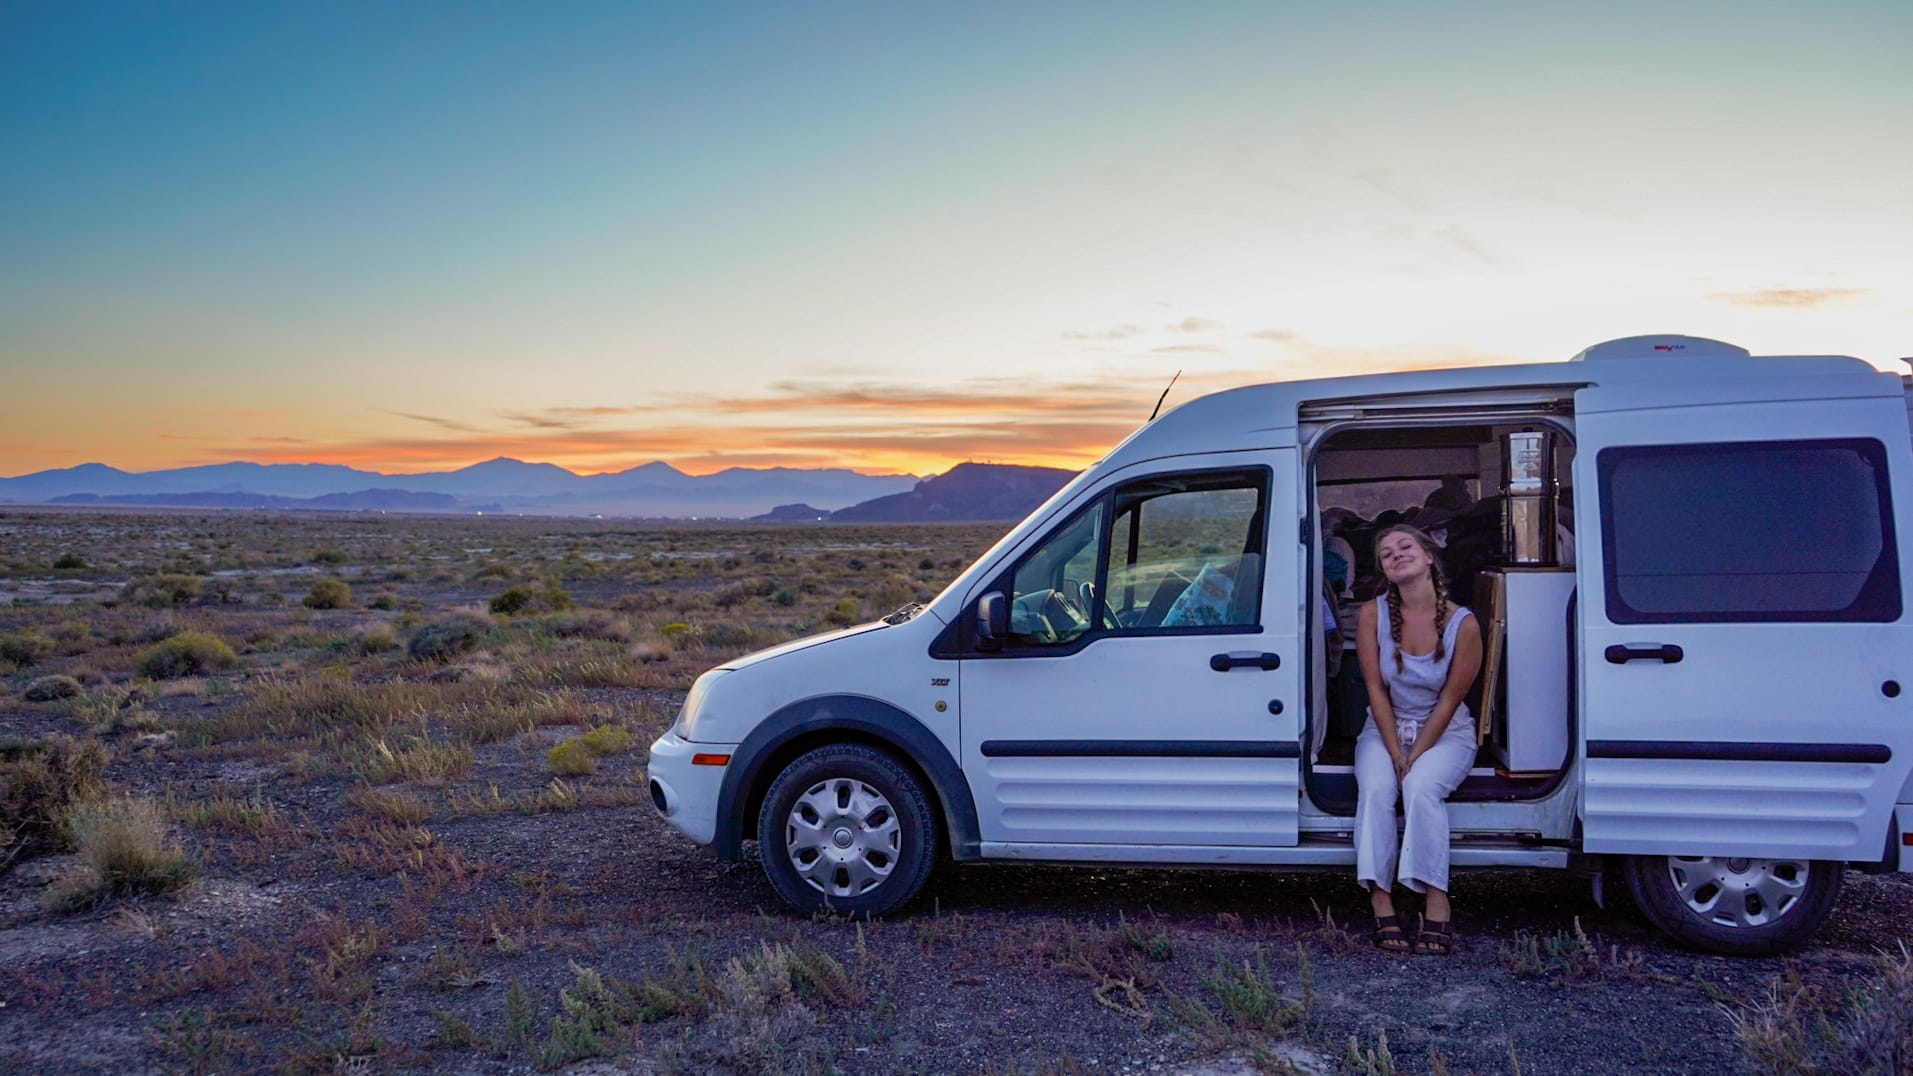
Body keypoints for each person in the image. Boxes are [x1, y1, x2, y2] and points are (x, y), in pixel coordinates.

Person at [1354, 524, 1482, 956]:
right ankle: (1381, 897)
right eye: (1386, 553)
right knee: (1375, 789)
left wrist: (1415, 755)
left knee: (1420, 786)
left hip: (1446, 733)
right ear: (1384, 571)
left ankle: (1435, 897)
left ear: (1429, 556)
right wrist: (1394, 751)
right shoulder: (1372, 614)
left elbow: (1450, 700)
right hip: (1386, 727)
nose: (1396, 555)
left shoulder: (1463, 624)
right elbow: (1374, 689)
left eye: (1405, 546)